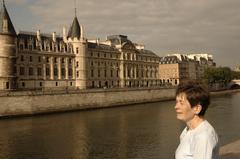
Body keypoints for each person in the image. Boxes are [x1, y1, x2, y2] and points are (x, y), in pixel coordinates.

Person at [174, 80, 219, 159]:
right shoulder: (187, 130)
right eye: (176, 102)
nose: (176, 107)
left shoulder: (203, 137)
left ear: (197, 109)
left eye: (181, 103)